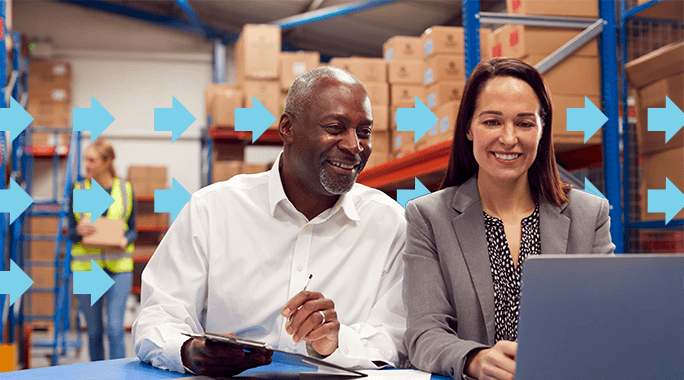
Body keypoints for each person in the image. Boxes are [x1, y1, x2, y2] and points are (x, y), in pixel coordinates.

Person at [133, 66, 407, 377]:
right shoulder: (212, 210)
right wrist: (188, 350)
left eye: (364, 132)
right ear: (287, 128)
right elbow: (157, 316)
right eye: (335, 127)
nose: (354, 146)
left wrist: (337, 341)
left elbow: (397, 337)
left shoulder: (390, 225)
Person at [402, 57, 615, 380]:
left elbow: (606, 320)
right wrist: (475, 359)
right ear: (468, 128)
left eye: (525, 123)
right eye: (492, 121)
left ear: (542, 131)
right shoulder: (429, 218)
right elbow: (423, 334)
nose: (509, 138)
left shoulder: (589, 214)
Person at [68, 137, 137, 361]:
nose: (86, 165)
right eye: (85, 160)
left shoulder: (125, 189)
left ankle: (118, 376)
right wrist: (78, 229)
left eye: (92, 160)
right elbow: (69, 231)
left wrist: (126, 239)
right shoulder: (78, 189)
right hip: (87, 268)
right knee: (95, 332)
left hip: (118, 266)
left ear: (107, 162)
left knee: (116, 329)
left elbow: (133, 229)